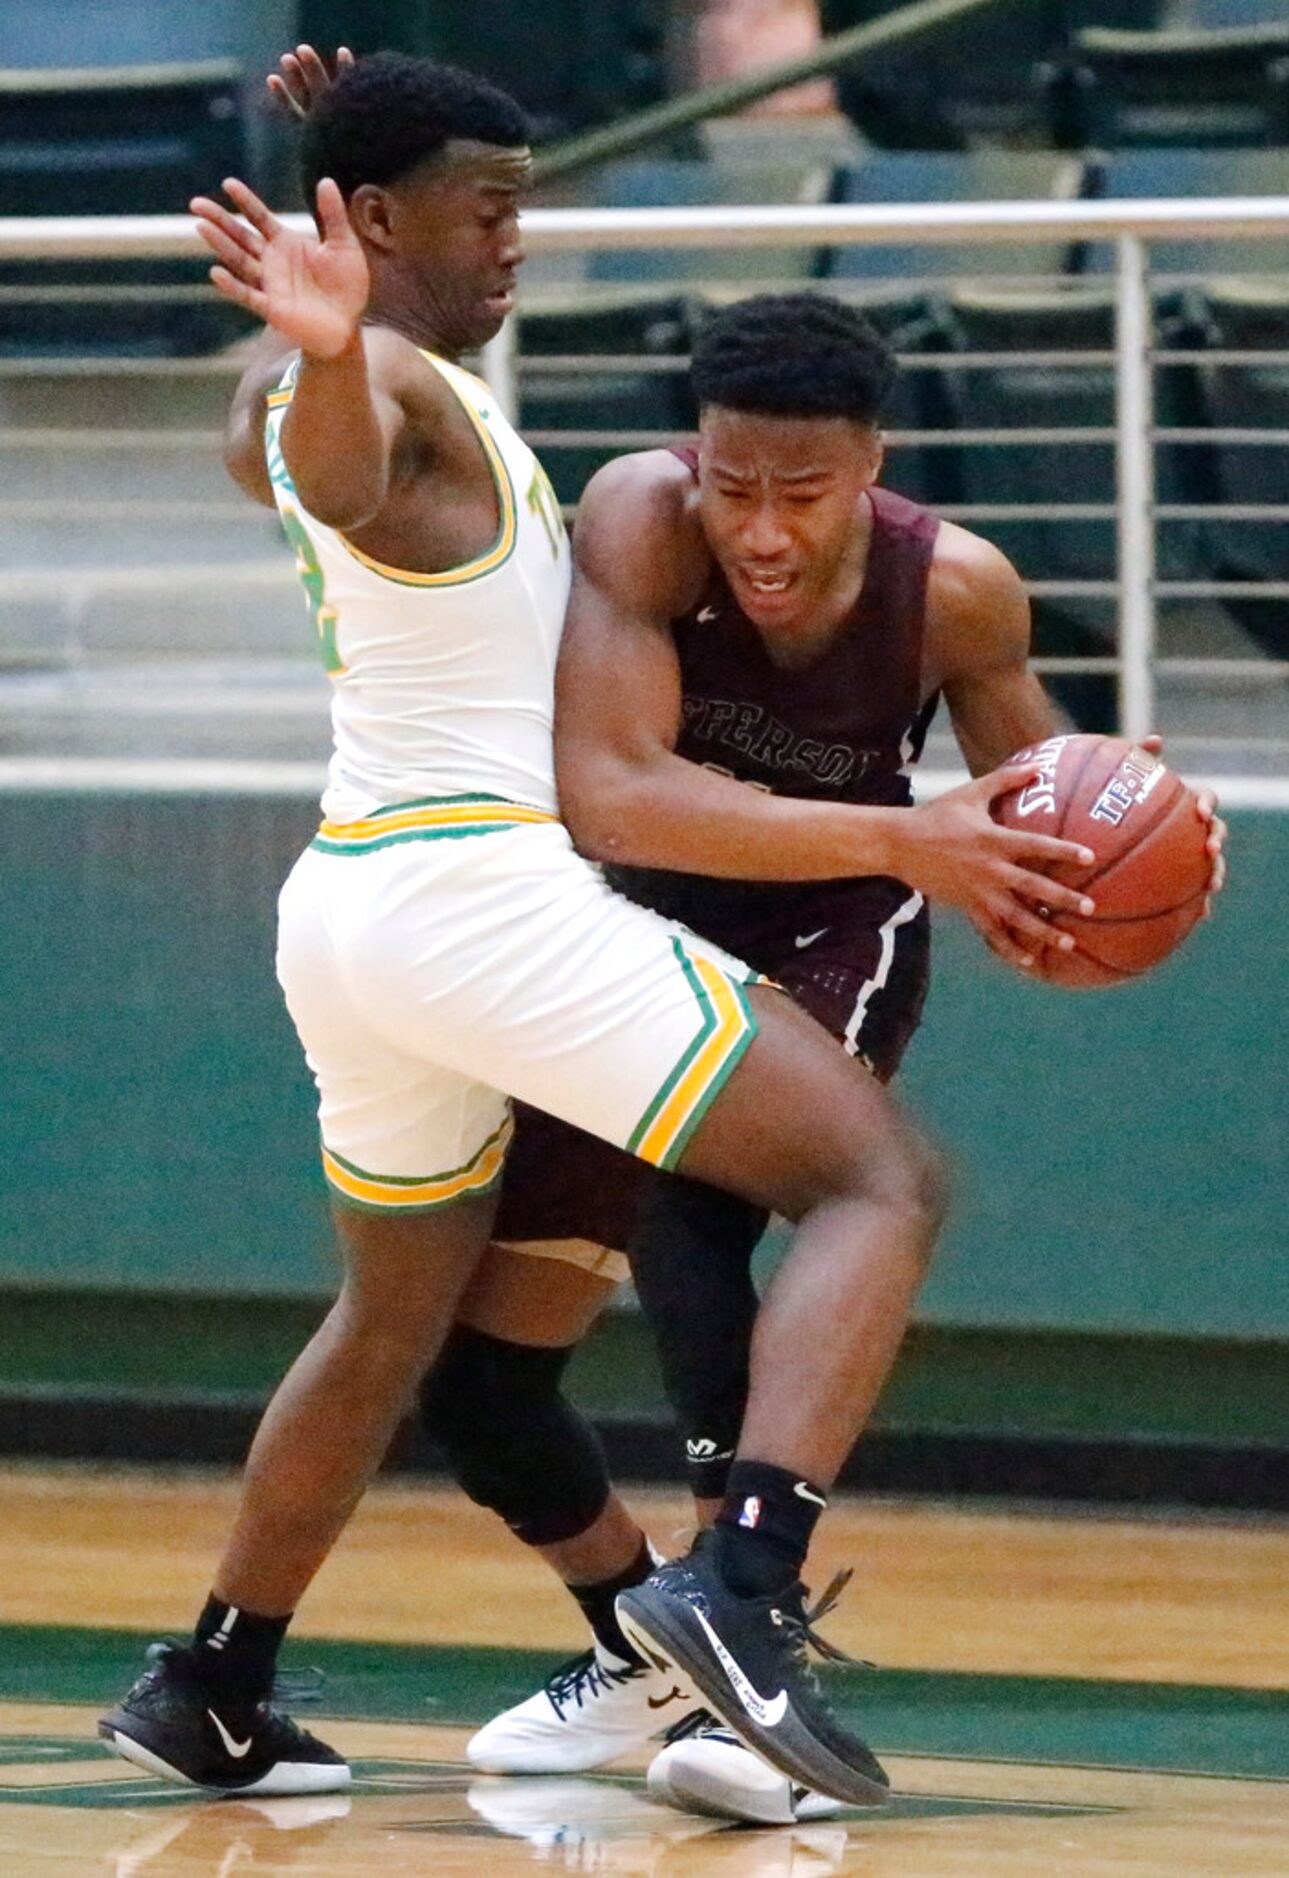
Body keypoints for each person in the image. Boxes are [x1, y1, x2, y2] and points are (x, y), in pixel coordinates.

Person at [96, 49, 1127, 1808]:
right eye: (486, 210)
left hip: (352, 922)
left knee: (389, 1324)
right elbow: (337, 472)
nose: (519, 239)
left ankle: (215, 1676)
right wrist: (339, 337)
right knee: (878, 1180)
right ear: (374, 228)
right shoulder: (374, 384)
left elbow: (293, 442)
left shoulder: (372, 378)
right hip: (475, 898)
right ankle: (737, 1589)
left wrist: (338, 208)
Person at [417, 291, 1228, 1823]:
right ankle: (688, 1636)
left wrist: (1136, 842)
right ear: (694, 460)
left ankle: (744, 1593)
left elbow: (1031, 816)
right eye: (734, 487)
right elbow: (610, 795)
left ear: (870, 464)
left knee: (704, 1199)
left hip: (828, 933)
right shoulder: (640, 520)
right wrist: (900, 827)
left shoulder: (957, 595)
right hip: (635, 915)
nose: (762, 530)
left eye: (800, 493)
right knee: (491, 1364)